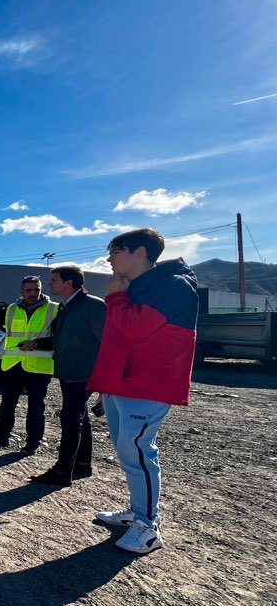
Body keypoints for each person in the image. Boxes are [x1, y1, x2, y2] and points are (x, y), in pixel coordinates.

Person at [87, 228, 198, 554]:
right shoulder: (133, 287)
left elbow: (136, 329)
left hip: (147, 384)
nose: (109, 259)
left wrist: (116, 297)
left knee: (138, 450)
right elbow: (119, 339)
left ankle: (148, 528)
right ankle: (138, 513)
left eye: (114, 251)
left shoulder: (173, 285)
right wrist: (104, 385)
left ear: (139, 252)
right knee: (128, 451)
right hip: (122, 383)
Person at [29, 265, 107, 487]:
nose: (50, 284)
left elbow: (108, 344)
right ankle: (82, 464)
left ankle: (63, 471)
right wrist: (36, 344)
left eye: (54, 280)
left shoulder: (93, 306)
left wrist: (104, 382)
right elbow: (61, 339)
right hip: (69, 372)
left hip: (83, 374)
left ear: (68, 283)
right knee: (79, 417)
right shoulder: (66, 307)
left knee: (71, 419)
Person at [0, 275, 58, 453]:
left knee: (36, 406)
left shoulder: (54, 309)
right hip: (14, 364)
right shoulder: (11, 309)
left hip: (39, 366)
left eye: (37, 290)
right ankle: (1, 437)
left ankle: (33, 442)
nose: (33, 294)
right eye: (29, 290)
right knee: (7, 404)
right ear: (21, 291)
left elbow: (61, 338)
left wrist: (37, 345)